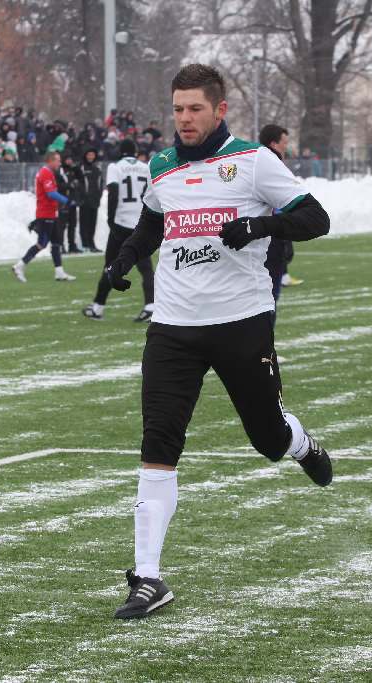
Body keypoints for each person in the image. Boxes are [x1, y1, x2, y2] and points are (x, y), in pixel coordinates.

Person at [103, 63, 333, 619]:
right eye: (178, 109)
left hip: (241, 323)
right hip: (173, 330)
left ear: (219, 110)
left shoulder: (253, 161)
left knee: (267, 438)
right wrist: (126, 259)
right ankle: (149, 578)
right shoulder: (161, 167)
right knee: (158, 443)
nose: (184, 119)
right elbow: (153, 223)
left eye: (195, 109)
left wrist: (260, 226)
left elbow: (316, 218)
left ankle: (301, 445)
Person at [82, 139, 155, 322]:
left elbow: (113, 192)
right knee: (146, 268)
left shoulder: (115, 167)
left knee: (110, 265)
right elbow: (150, 194)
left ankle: (98, 308)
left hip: (121, 223)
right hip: (140, 224)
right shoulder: (145, 167)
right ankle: (150, 306)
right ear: (135, 151)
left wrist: (110, 219)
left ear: (120, 151)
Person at [11, 151, 77, 282]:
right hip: (45, 213)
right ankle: (19, 266)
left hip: (51, 213)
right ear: (50, 161)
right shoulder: (45, 173)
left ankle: (59, 272)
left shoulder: (48, 173)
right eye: (57, 160)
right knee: (42, 243)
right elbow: (51, 193)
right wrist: (67, 201)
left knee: (57, 243)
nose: (59, 163)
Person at [259, 124, 304, 306]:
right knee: (269, 298)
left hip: (267, 236)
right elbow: (280, 205)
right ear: (274, 144)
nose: (287, 147)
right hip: (269, 239)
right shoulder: (270, 166)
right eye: (284, 143)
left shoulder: (260, 163)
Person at [78, 149, 104, 252]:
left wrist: (99, 196)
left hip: (94, 201)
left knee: (92, 224)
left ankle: (91, 243)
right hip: (84, 202)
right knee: (84, 223)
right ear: (85, 155)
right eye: (89, 154)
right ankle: (85, 245)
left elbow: (100, 184)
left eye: (92, 154)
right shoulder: (81, 168)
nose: (90, 157)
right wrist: (81, 197)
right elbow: (79, 184)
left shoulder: (97, 168)